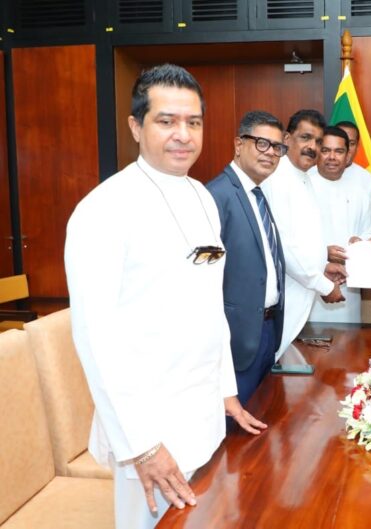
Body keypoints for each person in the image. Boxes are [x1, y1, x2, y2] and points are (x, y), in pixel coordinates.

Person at [64, 64, 266, 529]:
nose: (183, 135)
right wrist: (142, 446)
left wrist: (226, 391)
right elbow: (95, 341)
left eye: (193, 122)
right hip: (149, 430)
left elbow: (211, 307)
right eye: (166, 121)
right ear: (136, 126)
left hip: (205, 414)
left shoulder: (201, 196)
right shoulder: (102, 210)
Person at [206, 111, 286, 406]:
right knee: (236, 428)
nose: (271, 153)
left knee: (262, 417)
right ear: (239, 144)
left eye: (277, 147)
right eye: (262, 143)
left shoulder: (257, 194)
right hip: (236, 339)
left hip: (266, 331)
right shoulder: (217, 195)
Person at [261, 109, 345, 356]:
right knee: (271, 365)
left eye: (318, 141)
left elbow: (303, 238)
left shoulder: (303, 176)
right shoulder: (276, 178)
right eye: (305, 138)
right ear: (287, 139)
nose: (312, 147)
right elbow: (283, 246)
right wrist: (324, 286)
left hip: (299, 293)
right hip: (283, 297)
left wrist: (322, 266)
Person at [308, 126, 371, 323]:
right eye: (326, 150)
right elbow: (290, 240)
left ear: (348, 156)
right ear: (318, 151)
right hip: (309, 284)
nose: (332, 157)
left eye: (339, 151)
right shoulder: (302, 185)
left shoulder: (359, 192)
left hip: (347, 283)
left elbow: (370, 232)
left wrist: (360, 243)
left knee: (348, 339)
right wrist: (323, 253)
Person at [335, 120, 371, 234]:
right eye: (341, 142)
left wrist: (362, 240)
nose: (346, 148)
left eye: (351, 143)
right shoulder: (311, 175)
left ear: (357, 147)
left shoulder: (368, 180)